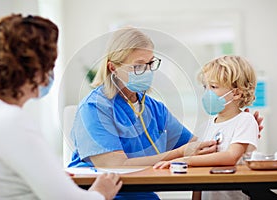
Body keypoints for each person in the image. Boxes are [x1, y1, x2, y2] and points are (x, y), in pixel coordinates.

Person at [68, 27, 263, 200]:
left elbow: (197, 146)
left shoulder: (154, 108)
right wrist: (179, 154)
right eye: (138, 66)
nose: (147, 71)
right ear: (113, 68)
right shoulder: (95, 107)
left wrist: (233, 131)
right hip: (101, 193)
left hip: (143, 193)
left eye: (150, 63)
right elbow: (115, 165)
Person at [0, 14, 122, 200]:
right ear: (35, 69)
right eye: (50, 65)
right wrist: (101, 192)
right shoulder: (12, 121)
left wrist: (52, 177)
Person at [154, 55, 259, 200]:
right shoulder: (206, 126)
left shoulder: (245, 121)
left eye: (213, 87)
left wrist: (186, 160)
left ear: (236, 93)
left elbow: (231, 157)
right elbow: (199, 177)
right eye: (205, 87)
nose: (207, 93)